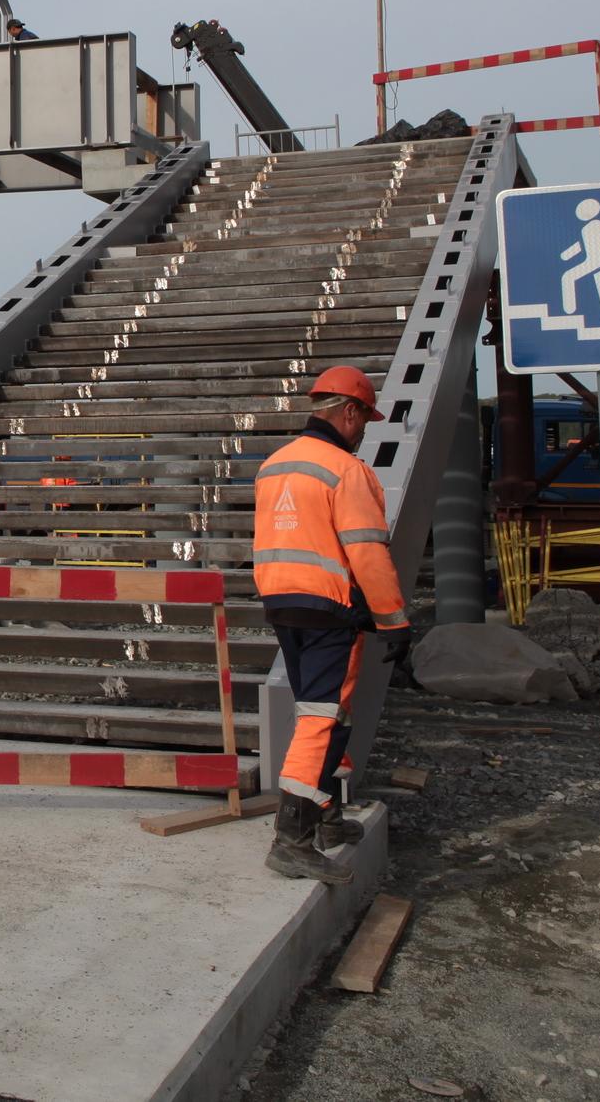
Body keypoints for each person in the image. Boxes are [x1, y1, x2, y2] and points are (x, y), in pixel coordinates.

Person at [253, 365, 411, 884]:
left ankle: (324, 817)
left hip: (281, 602)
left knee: (329, 706)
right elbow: (367, 551)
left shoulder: (274, 465)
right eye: (364, 418)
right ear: (349, 412)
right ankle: (291, 839)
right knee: (321, 716)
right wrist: (394, 621)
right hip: (328, 608)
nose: (364, 429)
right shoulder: (346, 469)